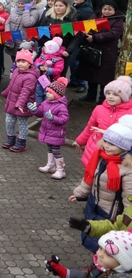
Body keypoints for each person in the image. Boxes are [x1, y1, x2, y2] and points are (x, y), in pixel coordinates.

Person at [69, 121, 132, 252]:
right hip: (93, 206)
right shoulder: (101, 157)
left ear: (124, 146)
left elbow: (129, 199)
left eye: (112, 144)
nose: (107, 146)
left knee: (104, 246)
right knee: (91, 237)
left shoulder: (127, 169)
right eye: (106, 141)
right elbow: (90, 179)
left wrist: (127, 224)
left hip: (110, 214)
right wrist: (80, 194)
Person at [67, 1, 125, 104]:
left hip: (108, 52)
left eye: (109, 9)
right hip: (92, 49)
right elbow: (87, 27)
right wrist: (87, 35)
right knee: (91, 74)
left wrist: (95, 37)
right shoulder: (95, 16)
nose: (107, 11)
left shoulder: (118, 21)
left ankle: (103, 98)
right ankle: (90, 95)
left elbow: (113, 34)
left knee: (105, 77)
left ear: (114, 10)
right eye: (105, 9)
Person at [75, 77, 132, 168]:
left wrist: (107, 133)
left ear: (124, 97)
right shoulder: (99, 109)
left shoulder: (129, 113)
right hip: (95, 147)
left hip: (116, 151)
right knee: (91, 171)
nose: (110, 96)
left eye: (115, 94)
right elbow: (90, 126)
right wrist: (80, 141)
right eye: (108, 93)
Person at [26, 77, 71, 180]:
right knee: (50, 148)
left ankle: (61, 170)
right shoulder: (46, 103)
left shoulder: (61, 106)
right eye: (47, 92)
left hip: (56, 133)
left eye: (50, 92)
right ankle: (50, 165)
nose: (47, 94)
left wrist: (53, 118)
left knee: (56, 151)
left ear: (57, 94)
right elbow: (40, 113)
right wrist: (35, 110)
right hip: (48, 131)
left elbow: (64, 119)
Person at [0, 49, 40, 153]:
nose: (20, 64)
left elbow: (25, 93)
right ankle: (11, 138)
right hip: (12, 102)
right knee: (9, 121)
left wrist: (20, 104)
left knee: (22, 124)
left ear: (29, 63)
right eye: (18, 61)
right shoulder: (16, 71)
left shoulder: (30, 77)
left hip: (22, 105)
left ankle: (21, 142)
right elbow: (11, 85)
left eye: (23, 61)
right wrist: (5, 93)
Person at [46, 231, 132, 277]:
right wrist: (65, 273)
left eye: (108, 254)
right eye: (100, 248)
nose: (100, 254)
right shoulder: (102, 268)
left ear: (123, 263)